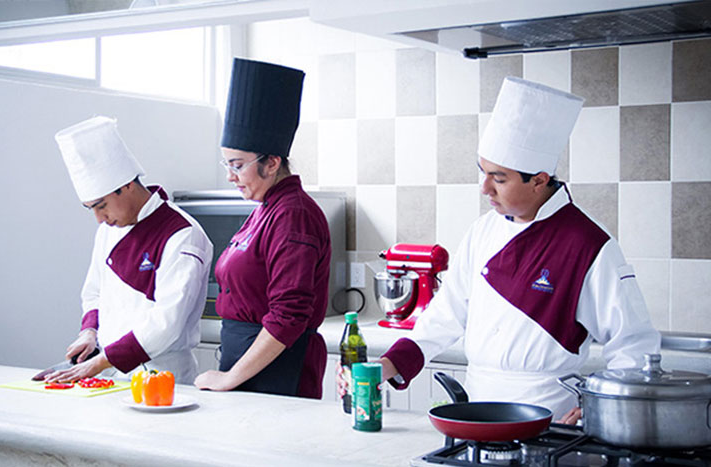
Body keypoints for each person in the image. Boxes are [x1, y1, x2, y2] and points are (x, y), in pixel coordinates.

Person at [345, 77, 661, 422]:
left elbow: (634, 347)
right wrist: (387, 365)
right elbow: (442, 318)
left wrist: (595, 407)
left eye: (499, 178)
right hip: (477, 417)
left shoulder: (589, 246)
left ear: (539, 180)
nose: (485, 189)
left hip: (550, 423)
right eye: (483, 173)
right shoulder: (482, 233)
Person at [193, 58, 331, 398]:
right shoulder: (265, 209)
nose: (230, 176)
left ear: (271, 163)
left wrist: (230, 378)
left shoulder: (293, 215)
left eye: (238, 165)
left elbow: (288, 316)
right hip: (248, 362)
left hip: (280, 370)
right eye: (227, 164)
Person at [46, 116, 213, 384]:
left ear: (126, 185)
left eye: (101, 206)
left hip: (162, 377)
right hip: (109, 373)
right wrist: (89, 332)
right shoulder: (108, 231)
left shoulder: (183, 235)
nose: (99, 218)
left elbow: (166, 324)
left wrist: (100, 363)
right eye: (91, 209)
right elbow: (94, 291)